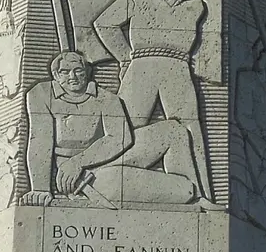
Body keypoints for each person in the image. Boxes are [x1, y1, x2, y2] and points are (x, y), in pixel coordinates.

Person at [91, 0, 212, 201]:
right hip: (141, 66)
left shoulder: (196, 6)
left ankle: (202, 195)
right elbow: (104, 23)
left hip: (178, 67)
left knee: (191, 129)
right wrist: (125, 57)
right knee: (124, 127)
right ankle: (97, 178)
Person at [24, 50, 199, 206]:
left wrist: (78, 162)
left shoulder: (106, 98)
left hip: (105, 157)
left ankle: (198, 195)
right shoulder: (41, 94)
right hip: (78, 175)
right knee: (182, 190)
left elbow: (121, 138)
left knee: (173, 131)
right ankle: (187, 192)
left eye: (78, 70)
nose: (73, 76)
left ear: (87, 72)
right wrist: (40, 189)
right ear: (55, 75)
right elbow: (40, 142)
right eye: (65, 72)